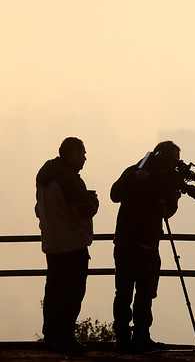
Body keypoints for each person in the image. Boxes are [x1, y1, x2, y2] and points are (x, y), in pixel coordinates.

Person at [111, 141, 182, 353]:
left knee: (145, 294)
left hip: (148, 244)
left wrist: (172, 195)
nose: (175, 165)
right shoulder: (135, 171)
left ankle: (142, 336)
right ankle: (123, 338)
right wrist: (134, 179)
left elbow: (167, 212)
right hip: (129, 244)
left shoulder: (167, 181)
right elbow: (115, 194)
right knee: (125, 293)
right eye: (173, 160)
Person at [35, 137, 99, 353]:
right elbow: (85, 210)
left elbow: (38, 209)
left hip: (52, 243)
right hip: (72, 244)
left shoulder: (45, 177)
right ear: (72, 154)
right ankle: (65, 339)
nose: (85, 158)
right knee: (72, 295)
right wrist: (93, 201)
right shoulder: (69, 179)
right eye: (82, 154)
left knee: (53, 293)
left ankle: (50, 337)